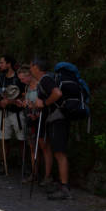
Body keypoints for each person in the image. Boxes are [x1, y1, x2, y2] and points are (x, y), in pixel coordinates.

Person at [31, 57, 71, 200]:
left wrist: (45, 103)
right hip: (55, 119)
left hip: (57, 119)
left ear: (36, 67)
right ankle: (61, 184)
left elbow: (57, 94)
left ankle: (64, 188)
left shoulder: (46, 80)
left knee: (60, 153)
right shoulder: (46, 80)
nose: (30, 69)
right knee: (57, 152)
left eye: (31, 66)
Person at [17, 64, 52, 185]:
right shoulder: (27, 88)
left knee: (44, 146)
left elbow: (44, 103)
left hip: (42, 119)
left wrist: (34, 107)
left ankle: (47, 176)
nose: (21, 81)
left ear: (29, 75)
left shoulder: (40, 86)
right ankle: (35, 174)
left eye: (23, 79)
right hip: (30, 119)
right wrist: (23, 103)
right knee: (32, 147)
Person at [0, 55, 26, 175]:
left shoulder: (19, 78)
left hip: (18, 113)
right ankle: (3, 164)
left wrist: (11, 102)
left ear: (9, 64)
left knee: (22, 139)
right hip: (4, 113)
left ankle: (24, 166)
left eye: (2, 63)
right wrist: (0, 103)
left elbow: (24, 95)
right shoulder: (0, 79)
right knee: (3, 139)